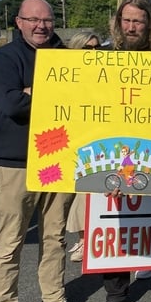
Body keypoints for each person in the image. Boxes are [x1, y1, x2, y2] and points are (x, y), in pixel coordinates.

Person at [0, 0, 93, 302]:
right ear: (18, 22)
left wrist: (33, 91)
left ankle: (54, 301)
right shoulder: (5, 57)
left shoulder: (68, 57)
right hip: (16, 162)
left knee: (54, 236)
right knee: (10, 240)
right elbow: (11, 105)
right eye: (33, 19)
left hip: (59, 159)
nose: (40, 26)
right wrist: (52, 93)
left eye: (46, 20)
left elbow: (85, 100)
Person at [95, 0, 151, 302]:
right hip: (111, 155)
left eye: (138, 21)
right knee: (112, 228)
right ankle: (116, 297)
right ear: (118, 22)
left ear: (150, 23)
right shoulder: (102, 59)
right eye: (126, 20)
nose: (131, 26)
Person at [64, 31, 102, 263]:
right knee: (76, 194)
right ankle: (83, 238)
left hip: (97, 140)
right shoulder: (66, 76)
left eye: (97, 48)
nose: (94, 52)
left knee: (89, 192)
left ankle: (86, 239)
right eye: (88, 48)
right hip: (72, 140)